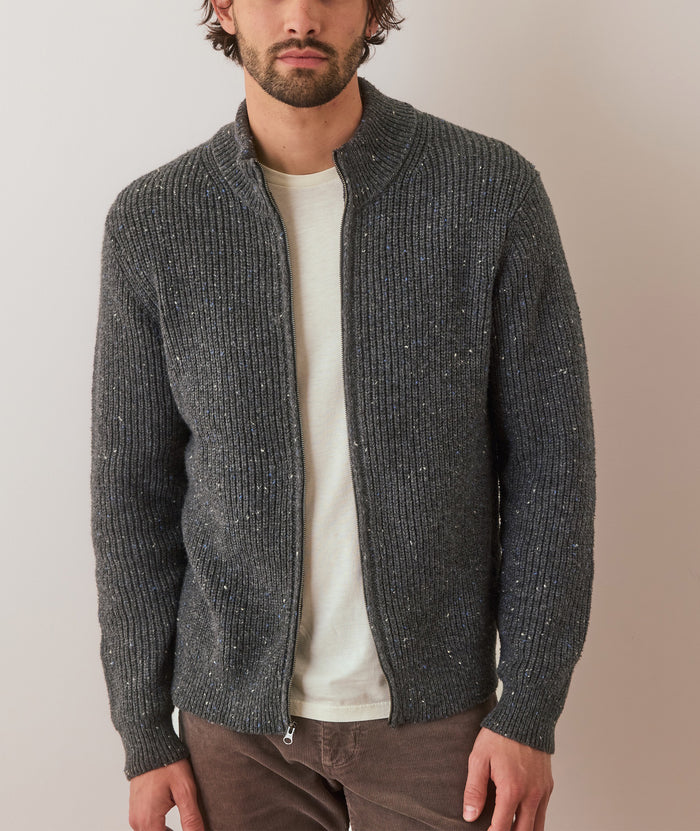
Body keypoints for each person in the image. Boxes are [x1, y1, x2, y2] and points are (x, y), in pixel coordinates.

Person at [91, 1, 595, 829]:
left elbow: (553, 466)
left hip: (441, 725)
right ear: (224, 6)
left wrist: (529, 708)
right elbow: (132, 495)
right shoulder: (155, 222)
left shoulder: (489, 192)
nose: (301, 17)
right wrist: (144, 731)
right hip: (235, 730)